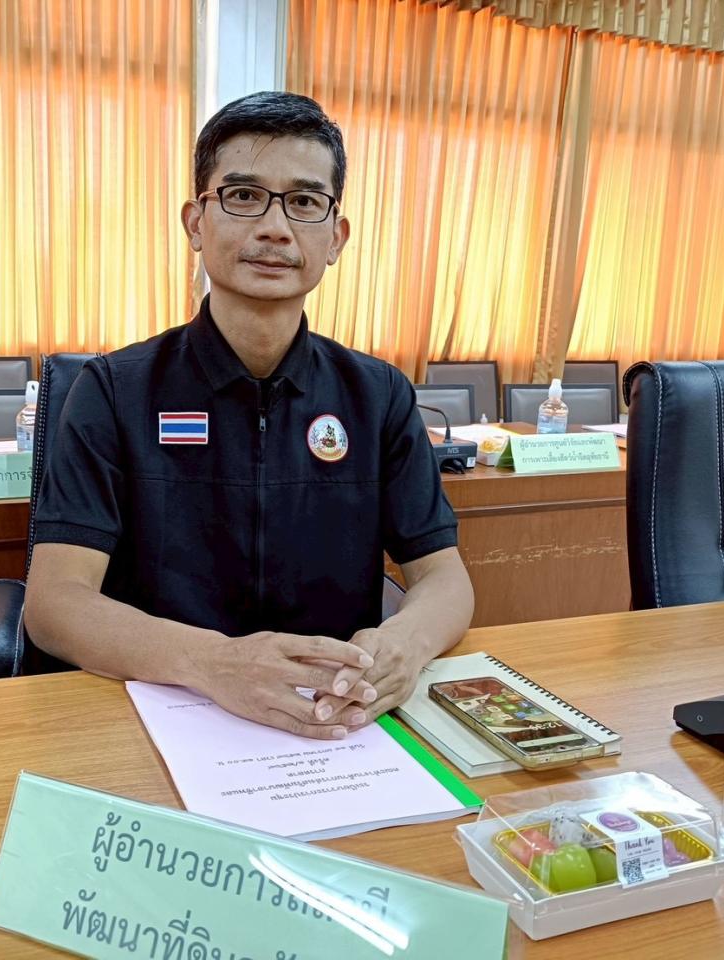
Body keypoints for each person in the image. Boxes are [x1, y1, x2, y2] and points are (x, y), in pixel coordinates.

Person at [24, 92, 473, 740]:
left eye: (305, 202)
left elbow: (444, 577)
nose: (275, 228)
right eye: (243, 196)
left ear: (336, 237)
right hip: (156, 715)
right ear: (195, 223)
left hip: (333, 725)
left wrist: (405, 644)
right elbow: (55, 604)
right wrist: (214, 664)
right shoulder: (113, 391)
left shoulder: (378, 396)